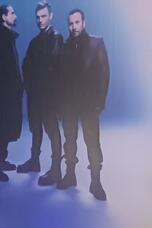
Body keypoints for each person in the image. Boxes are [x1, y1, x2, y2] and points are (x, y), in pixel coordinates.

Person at [58, 8, 109, 200]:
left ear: (84, 22)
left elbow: (104, 74)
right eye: (70, 23)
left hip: (89, 105)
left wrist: (99, 102)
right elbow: (61, 78)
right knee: (69, 141)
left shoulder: (96, 43)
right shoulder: (64, 46)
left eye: (77, 22)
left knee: (93, 143)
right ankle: (70, 175)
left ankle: (96, 182)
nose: (73, 27)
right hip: (69, 104)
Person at [17, 1, 63, 185]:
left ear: (50, 16)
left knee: (52, 130)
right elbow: (26, 65)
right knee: (35, 129)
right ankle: (34, 161)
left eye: (43, 16)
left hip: (49, 96)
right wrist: (30, 87)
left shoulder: (56, 37)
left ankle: (56, 170)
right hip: (35, 95)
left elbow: (54, 67)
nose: (40, 20)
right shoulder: (35, 41)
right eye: (38, 17)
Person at [0, 4, 23, 183]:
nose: (15, 16)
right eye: (12, 13)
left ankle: (1, 160)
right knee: (2, 127)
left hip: (10, 92)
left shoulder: (8, 37)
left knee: (6, 127)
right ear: (3, 17)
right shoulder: (2, 38)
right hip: (3, 93)